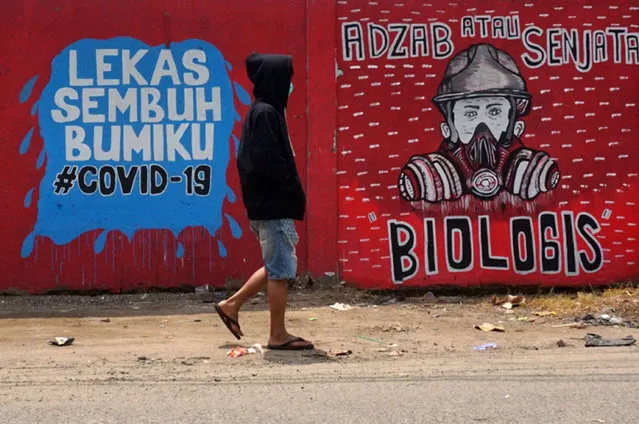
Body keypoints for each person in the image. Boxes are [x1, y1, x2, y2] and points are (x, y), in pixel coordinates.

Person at [214, 53, 313, 351]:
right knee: (280, 271)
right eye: (287, 78)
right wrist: (292, 191)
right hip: (272, 204)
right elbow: (270, 162)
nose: (291, 85)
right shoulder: (266, 113)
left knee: (276, 265)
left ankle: (231, 305)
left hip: (267, 203)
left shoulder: (264, 111)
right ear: (276, 79)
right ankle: (277, 335)